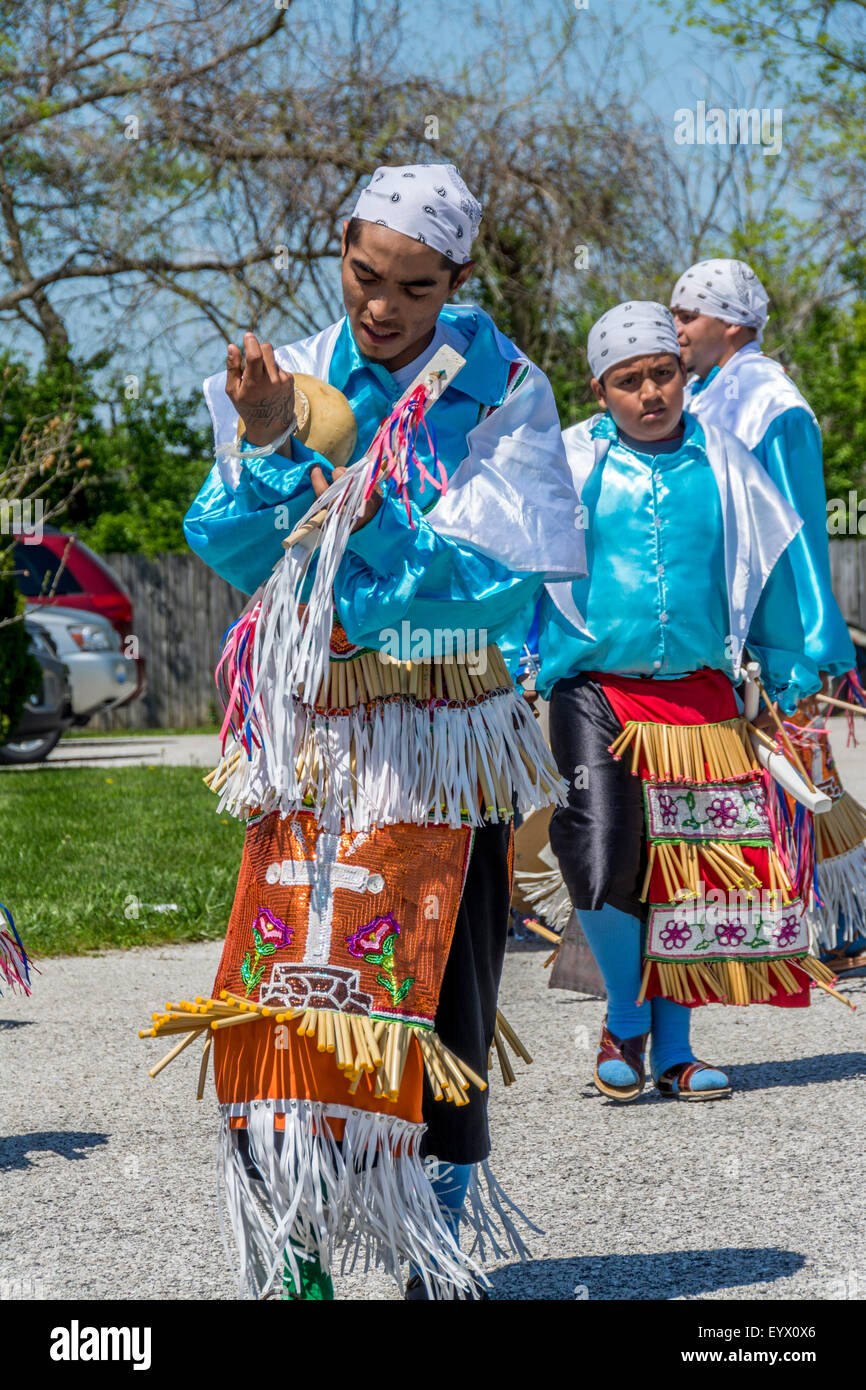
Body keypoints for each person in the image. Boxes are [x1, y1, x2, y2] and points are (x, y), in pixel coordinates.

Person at [156, 163, 581, 1299]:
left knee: (443, 990)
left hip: (446, 737)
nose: (380, 305)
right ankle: (291, 1260)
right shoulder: (287, 373)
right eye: (361, 274)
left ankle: (431, 1255)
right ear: (339, 249)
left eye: (412, 283)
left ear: (455, 279)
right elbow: (233, 546)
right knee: (285, 984)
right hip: (320, 734)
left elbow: (488, 585)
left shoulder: (503, 392)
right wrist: (270, 444)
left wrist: (346, 504)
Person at [534, 300, 841, 1105]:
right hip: (594, 691)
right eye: (629, 381)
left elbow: (770, 567)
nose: (650, 394)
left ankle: (674, 1050)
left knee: (693, 878)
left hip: (701, 699)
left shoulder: (727, 462)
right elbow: (516, 560)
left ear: (684, 373)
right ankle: (628, 1016)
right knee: (598, 854)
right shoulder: (567, 462)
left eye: (663, 374)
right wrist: (505, 653)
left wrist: (786, 661)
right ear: (600, 389)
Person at [671, 259, 866, 972]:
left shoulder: (768, 401)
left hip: (776, 626)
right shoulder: (709, 394)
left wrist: (811, 636)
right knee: (753, 773)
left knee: (799, 774)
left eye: (687, 315)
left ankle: (839, 923)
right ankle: (773, 917)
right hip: (721, 622)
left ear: (730, 323)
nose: (677, 329)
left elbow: (797, 526)